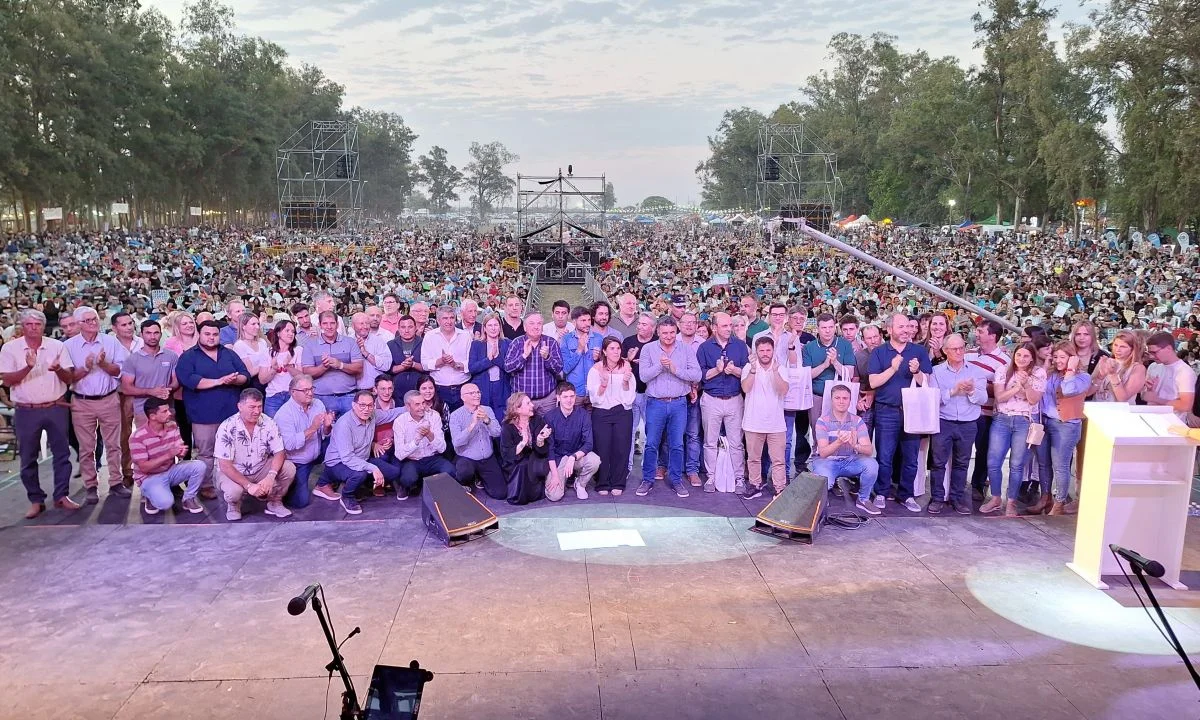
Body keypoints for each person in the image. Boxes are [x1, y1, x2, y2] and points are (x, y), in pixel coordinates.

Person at [0, 309, 78, 518]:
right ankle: (36, 500)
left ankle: (62, 495)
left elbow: (69, 379)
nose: (33, 328)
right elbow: (7, 381)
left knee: (62, 454)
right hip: (26, 410)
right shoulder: (10, 349)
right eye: (29, 324)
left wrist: (58, 369)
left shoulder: (57, 346)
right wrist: (28, 367)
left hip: (55, 407)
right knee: (28, 458)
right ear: (22, 326)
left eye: (37, 324)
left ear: (44, 326)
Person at [175, 320, 250, 499]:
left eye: (215, 334)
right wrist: (219, 381)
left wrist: (235, 379)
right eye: (207, 334)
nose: (211, 337)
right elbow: (189, 379)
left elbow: (245, 375)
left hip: (231, 414)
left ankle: (236, 483)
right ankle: (206, 486)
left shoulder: (229, 354)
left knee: (234, 451)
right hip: (203, 415)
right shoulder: (188, 357)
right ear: (199, 334)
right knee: (206, 453)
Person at [867, 313, 933, 513]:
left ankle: (906, 495)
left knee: (911, 458)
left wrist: (917, 372)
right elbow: (873, 382)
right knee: (884, 456)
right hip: (886, 411)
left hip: (912, 412)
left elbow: (927, 382)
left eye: (908, 327)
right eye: (901, 327)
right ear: (889, 330)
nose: (906, 330)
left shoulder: (919, 351)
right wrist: (893, 368)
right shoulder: (879, 352)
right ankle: (881, 492)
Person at [64, 306, 130, 503]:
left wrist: (103, 364)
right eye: (87, 320)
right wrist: (86, 368)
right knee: (86, 448)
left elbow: (120, 371)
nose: (93, 323)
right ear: (78, 324)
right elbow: (67, 378)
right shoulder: (68, 346)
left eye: (94, 319)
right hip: (81, 402)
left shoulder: (111, 342)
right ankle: (91, 486)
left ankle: (116, 482)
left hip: (109, 398)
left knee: (114, 445)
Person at [638, 316, 702, 498]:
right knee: (651, 443)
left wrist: (675, 370)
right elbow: (643, 376)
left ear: (677, 331)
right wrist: (660, 366)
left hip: (679, 403)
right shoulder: (648, 349)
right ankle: (647, 479)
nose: (668, 336)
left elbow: (697, 375)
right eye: (665, 333)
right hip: (655, 403)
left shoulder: (686, 349)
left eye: (672, 332)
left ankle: (676, 480)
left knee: (677, 444)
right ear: (657, 332)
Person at [926, 334, 988, 515]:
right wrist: (953, 391)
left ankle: (957, 499)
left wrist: (972, 391)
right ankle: (937, 498)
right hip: (944, 421)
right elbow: (934, 399)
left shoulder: (976, 371)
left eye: (962, 347)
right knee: (938, 463)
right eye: (955, 349)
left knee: (962, 463)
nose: (960, 352)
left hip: (968, 424)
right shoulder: (936, 371)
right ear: (945, 351)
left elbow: (983, 399)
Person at [982, 342, 1045, 516]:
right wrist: (1017, 387)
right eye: (1019, 355)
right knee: (993, 461)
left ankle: (1011, 501)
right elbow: (1000, 397)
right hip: (1002, 419)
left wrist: (1025, 386)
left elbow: (1033, 400)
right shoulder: (1003, 370)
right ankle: (995, 498)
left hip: (1024, 421)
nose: (1021, 359)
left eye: (1026, 356)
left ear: (1032, 358)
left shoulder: (1039, 373)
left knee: (1017, 464)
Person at [214, 388, 296, 521]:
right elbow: (225, 465)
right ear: (240, 406)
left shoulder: (269, 422)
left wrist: (271, 476)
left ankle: (275, 501)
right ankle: (234, 505)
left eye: (259, 406)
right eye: (252, 407)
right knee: (234, 492)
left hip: (260, 467)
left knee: (289, 468)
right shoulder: (227, 427)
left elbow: (279, 452)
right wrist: (248, 485)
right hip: (234, 470)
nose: (257, 411)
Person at [324, 389, 409, 513]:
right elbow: (347, 458)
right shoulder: (344, 425)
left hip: (362, 458)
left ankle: (360, 486)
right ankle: (347, 495)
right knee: (360, 474)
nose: (366, 409)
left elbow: (390, 414)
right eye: (362, 405)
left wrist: (410, 406)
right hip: (338, 463)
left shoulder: (372, 415)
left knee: (394, 472)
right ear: (354, 405)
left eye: (370, 405)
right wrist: (373, 468)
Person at [1033, 343, 1091, 515]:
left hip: (1066, 425)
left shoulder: (1083, 377)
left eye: (1062, 357)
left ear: (1072, 358)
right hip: (1045, 422)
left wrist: (1071, 369)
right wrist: (1045, 367)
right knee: (1043, 464)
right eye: (1055, 357)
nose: (1058, 360)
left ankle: (1059, 502)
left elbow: (1068, 391)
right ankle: (1045, 498)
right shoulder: (1051, 374)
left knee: (1060, 466)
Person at [696, 312, 748, 493]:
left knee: (736, 443)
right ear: (714, 327)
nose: (729, 329)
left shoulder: (740, 346)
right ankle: (711, 477)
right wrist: (717, 370)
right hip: (712, 399)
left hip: (735, 399)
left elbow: (747, 372)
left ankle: (739, 478)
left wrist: (734, 370)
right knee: (710, 441)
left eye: (730, 325)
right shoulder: (704, 348)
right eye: (725, 326)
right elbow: (700, 375)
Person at [129, 397, 206, 515]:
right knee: (166, 503)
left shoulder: (172, 427)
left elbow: (178, 449)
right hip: (149, 477)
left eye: (168, 410)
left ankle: (188, 499)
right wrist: (169, 454)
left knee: (200, 466)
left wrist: (180, 452)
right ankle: (149, 495)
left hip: (169, 471)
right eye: (164, 411)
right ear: (153, 416)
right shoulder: (137, 437)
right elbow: (144, 467)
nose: (170, 413)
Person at [812, 384, 881, 516]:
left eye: (845, 398)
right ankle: (821, 498)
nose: (841, 401)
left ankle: (863, 499)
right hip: (827, 462)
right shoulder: (822, 421)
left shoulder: (857, 421)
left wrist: (855, 446)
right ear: (831, 400)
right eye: (837, 398)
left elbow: (869, 451)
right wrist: (839, 442)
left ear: (850, 401)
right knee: (825, 481)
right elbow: (823, 453)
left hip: (849, 461)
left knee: (872, 464)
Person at [739, 335, 790, 499]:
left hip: (776, 424)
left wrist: (775, 371)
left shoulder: (781, 368)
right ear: (756, 352)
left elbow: (783, 390)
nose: (765, 353)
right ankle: (755, 485)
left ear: (773, 351)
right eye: (761, 350)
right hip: (753, 422)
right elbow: (745, 388)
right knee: (753, 458)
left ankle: (779, 488)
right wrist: (753, 370)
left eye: (768, 350)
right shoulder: (748, 367)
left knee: (778, 460)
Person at [274, 375, 335, 508]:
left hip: (316, 452)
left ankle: (323, 483)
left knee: (336, 442)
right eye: (305, 390)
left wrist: (327, 426)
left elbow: (324, 434)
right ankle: (280, 490)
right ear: (293, 392)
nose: (310, 393)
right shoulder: (284, 414)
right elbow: (289, 445)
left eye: (311, 389)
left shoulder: (318, 404)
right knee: (301, 502)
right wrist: (313, 428)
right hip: (297, 461)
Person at [965, 320, 1010, 501]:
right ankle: (957, 484)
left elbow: (1003, 390)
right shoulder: (968, 354)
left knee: (983, 451)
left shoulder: (1005, 361)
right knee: (961, 450)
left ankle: (978, 484)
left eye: (980, 331)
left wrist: (979, 386)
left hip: (987, 414)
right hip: (965, 411)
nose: (976, 334)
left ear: (993, 336)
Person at [587, 337, 635, 496]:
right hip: (601, 411)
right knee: (602, 447)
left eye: (618, 348)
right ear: (604, 351)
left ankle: (618, 482)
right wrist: (603, 385)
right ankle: (602, 482)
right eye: (612, 348)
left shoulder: (626, 367)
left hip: (622, 411)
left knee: (621, 448)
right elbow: (594, 398)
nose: (616, 351)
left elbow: (630, 397)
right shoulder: (596, 369)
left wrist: (626, 382)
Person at [392, 389, 457, 498]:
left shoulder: (434, 416)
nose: (422, 407)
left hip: (433, 458)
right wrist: (416, 441)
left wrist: (429, 435)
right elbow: (399, 454)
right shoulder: (399, 422)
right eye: (417, 404)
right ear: (407, 407)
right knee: (408, 479)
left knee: (451, 471)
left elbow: (442, 448)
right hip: (413, 460)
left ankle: (431, 485)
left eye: (423, 403)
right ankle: (410, 486)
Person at [544, 382, 601, 500]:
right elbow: (550, 449)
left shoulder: (583, 415)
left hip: (576, 456)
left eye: (572, 396)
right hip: (558, 458)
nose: (569, 400)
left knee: (594, 460)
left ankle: (580, 484)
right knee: (554, 496)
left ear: (575, 396)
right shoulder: (549, 417)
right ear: (558, 398)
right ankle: (562, 479)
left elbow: (589, 443)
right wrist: (555, 475)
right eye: (565, 397)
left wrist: (573, 457)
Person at [804, 312, 857, 436]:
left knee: (840, 434)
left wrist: (835, 362)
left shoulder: (845, 344)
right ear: (818, 329)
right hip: (817, 396)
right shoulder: (809, 347)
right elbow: (807, 375)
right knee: (818, 433)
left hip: (840, 397)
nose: (827, 331)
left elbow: (849, 374)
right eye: (824, 327)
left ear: (835, 327)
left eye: (830, 327)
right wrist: (824, 365)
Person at [302, 310, 363, 417]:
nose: (329, 327)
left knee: (351, 426)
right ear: (320, 325)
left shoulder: (350, 342)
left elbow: (359, 368)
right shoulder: (310, 345)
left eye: (332, 323)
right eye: (325, 323)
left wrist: (340, 365)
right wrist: (323, 367)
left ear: (337, 324)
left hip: (349, 396)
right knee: (324, 427)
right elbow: (306, 372)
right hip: (321, 398)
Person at [450, 383, 506, 498]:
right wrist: (472, 424)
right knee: (464, 471)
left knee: (500, 494)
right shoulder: (455, 415)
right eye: (472, 393)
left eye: (478, 392)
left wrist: (487, 420)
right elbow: (457, 442)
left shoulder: (487, 410)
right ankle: (467, 481)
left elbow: (497, 432)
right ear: (463, 397)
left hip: (487, 458)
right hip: (467, 458)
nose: (477, 395)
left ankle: (480, 477)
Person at [503, 313, 564, 417]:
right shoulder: (516, 343)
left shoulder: (551, 342)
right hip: (522, 402)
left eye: (539, 323)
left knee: (548, 426)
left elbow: (559, 368)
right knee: (522, 426)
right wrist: (524, 356)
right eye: (531, 323)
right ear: (525, 327)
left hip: (547, 401)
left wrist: (547, 357)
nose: (536, 327)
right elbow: (507, 368)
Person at [120, 320, 179, 426]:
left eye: (156, 333)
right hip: (143, 412)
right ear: (141, 335)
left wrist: (167, 390)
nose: (152, 337)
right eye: (148, 333)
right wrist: (150, 391)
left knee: (170, 436)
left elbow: (176, 381)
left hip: (167, 409)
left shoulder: (171, 356)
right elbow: (126, 388)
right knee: (146, 437)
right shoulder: (132, 359)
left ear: (161, 334)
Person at [498, 392, 553, 505]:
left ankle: (535, 494)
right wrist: (523, 442)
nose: (532, 405)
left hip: (535, 456)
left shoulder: (537, 420)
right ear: (517, 409)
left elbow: (543, 450)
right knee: (522, 465)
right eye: (528, 403)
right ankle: (519, 496)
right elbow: (507, 454)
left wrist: (540, 440)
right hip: (515, 460)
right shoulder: (507, 426)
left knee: (530, 464)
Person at [621, 312, 657, 475]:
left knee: (652, 432)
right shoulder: (628, 342)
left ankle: (649, 467)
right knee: (628, 431)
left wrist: (646, 363)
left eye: (644, 324)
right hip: (631, 393)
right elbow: (619, 365)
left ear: (653, 328)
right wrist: (628, 361)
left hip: (651, 394)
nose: (639, 327)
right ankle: (627, 466)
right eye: (639, 323)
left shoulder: (657, 342)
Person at [420, 305, 472, 411]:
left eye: (452, 318)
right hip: (439, 388)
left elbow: (471, 363)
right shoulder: (430, 336)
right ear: (438, 320)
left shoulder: (466, 336)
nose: (449, 321)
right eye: (445, 318)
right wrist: (440, 361)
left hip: (462, 386)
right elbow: (424, 363)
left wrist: (455, 364)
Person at [1141, 332, 1197, 423]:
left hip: (1172, 424)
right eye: (1149, 352)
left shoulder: (1185, 372)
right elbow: (1145, 395)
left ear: (1168, 348)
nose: (1151, 356)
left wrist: (1156, 399)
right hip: (1150, 418)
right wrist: (1148, 391)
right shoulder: (1153, 366)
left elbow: (1186, 405)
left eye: (1154, 352)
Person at [467, 314, 511, 421]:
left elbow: (510, 368)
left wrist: (497, 358)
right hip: (483, 388)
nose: (493, 328)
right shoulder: (476, 344)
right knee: (484, 420)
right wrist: (489, 359)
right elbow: (472, 368)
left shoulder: (507, 343)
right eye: (490, 325)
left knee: (502, 420)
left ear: (500, 327)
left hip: (502, 388)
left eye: (496, 325)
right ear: (485, 328)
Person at [261, 319, 304, 417]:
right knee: (272, 425)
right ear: (278, 333)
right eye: (287, 331)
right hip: (273, 397)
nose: (291, 334)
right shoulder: (267, 352)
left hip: (293, 395)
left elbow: (301, 377)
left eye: (293, 331)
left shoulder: (298, 351)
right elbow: (262, 380)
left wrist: (288, 366)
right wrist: (273, 369)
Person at [560, 306, 604, 400]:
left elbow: (605, 365)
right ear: (574, 322)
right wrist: (579, 350)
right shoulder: (566, 339)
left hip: (595, 391)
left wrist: (598, 358)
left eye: (589, 320)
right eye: (583, 320)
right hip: (575, 392)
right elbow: (565, 369)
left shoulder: (599, 338)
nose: (587, 324)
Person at [1092, 330, 1146, 403]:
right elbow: (1088, 392)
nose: (1117, 350)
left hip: (1120, 409)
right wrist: (1100, 377)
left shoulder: (1138, 368)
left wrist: (1113, 375)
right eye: (1115, 345)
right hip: (1097, 407)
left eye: (1123, 347)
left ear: (1132, 349)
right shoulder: (1105, 361)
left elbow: (1122, 399)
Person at [351, 311, 392, 392]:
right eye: (361, 323)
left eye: (367, 323)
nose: (365, 326)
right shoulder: (348, 341)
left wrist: (366, 353)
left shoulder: (378, 341)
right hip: (353, 391)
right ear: (353, 326)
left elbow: (386, 365)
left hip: (374, 390)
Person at [386, 314, 425, 398]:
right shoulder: (390, 345)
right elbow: (388, 369)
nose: (406, 330)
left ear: (415, 328)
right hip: (397, 390)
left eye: (410, 327)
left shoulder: (424, 343)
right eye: (403, 327)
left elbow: (428, 367)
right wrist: (403, 366)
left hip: (420, 389)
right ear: (398, 329)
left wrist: (413, 364)